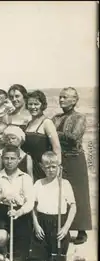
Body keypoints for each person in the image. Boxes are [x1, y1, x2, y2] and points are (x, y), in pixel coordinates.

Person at [51, 87, 92, 245]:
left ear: (75, 100)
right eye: (60, 97)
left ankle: (81, 229)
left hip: (75, 159)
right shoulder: (56, 117)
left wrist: (53, 133)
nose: (61, 100)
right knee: (60, 192)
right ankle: (64, 227)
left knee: (79, 192)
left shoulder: (80, 117)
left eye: (65, 97)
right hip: (59, 158)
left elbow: (73, 136)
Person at [32, 151, 85, 261]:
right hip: (42, 223)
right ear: (42, 167)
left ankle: (72, 257)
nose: (50, 170)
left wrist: (66, 228)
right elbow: (33, 208)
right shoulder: (38, 184)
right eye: (47, 167)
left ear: (58, 167)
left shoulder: (64, 184)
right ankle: (55, 258)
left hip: (59, 223)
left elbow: (73, 207)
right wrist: (36, 225)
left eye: (53, 167)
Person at [0, 146, 35, 261]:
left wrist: (19, 212)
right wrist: (1, 197)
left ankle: (5, 259)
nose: (9, 162)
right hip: (2, 212)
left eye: (13, 158)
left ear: (19, 159)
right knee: (1, 238)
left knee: (20, 260)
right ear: (2, 159)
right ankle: (3, 253)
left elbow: (30, 202)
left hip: (21, 214)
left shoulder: (25, 177)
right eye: (6, 158)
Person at [22, 90, 62, 181]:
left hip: (42, 168)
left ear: (42, 105)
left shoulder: (47, 123)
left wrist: (57, 169)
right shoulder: (29, 124)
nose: (33, 107)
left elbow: (56, 147)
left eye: (36, 104)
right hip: (28, 168)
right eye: (30, 104)